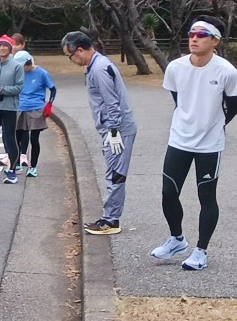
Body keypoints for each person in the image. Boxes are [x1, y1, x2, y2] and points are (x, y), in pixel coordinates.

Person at [151, 22, 237, 272]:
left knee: (206, 196)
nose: (194, 39)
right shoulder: (176, 67)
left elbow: (233, 106)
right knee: (168, 192)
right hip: (179, 139)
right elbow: (179, 100)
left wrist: (215, 124)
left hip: (210, 144)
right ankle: (177, 239)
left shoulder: (227, 72)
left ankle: (201, 251)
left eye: (201, 35)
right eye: (191, 34)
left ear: (215, 40)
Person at [62, 30, 137, 235]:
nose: (71, 61)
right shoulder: (96, 65)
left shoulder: (99, 69)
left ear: (79, 50)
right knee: (113, 173)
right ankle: (110, 217)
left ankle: (111, 220)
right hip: (113, 128)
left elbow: (112, 103)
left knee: (116, 175)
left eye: (70, 56)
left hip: (118, 130)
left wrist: (113, 131)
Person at [0, 36, 25, 182]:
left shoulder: (17, 66)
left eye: (5, 46)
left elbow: (19, 87)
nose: (2, 48)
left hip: (9, 107)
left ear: (10, 48)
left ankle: (12, 170)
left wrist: (1, 89)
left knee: (9, 138)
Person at [16, 52, 57, 175]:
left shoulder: (42, 73)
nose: (23, 69)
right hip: (20, 107)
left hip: (36, 108)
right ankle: (16, 164)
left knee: (34, 138)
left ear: (29, 63)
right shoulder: (19, 72)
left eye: (24, 66)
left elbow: (53, 89)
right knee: (17, 137)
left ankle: (33, 167)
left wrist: (49, 104)